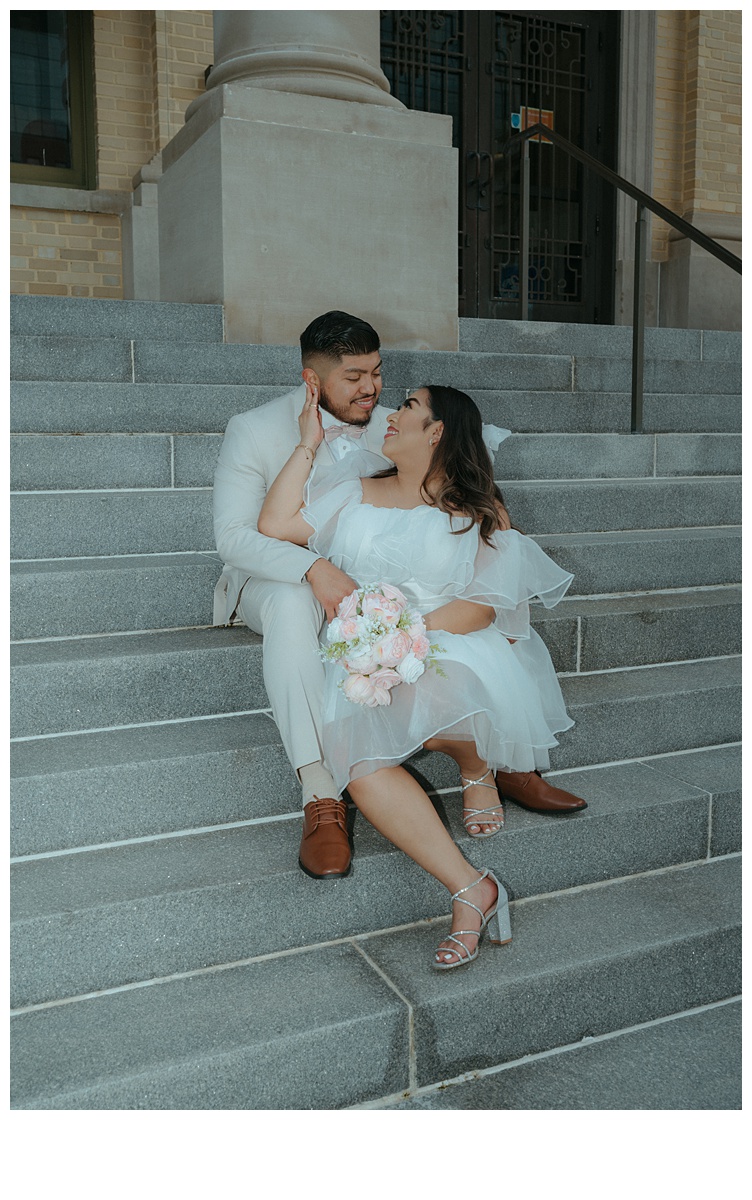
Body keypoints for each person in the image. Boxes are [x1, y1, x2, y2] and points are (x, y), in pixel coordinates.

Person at [257, 383, 587, 970]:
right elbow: (276, 523)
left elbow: (484, 605)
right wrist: (309, 443)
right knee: (358, 768)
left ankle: (475, 764)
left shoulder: (476, 512)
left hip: (449, 641)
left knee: (436, 697)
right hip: (368, 654)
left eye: (407, 406)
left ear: (436, 431)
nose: (392, 414)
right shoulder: (353, 492)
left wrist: (406, 635)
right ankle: (470, 889)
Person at [213, 312, 391, 880]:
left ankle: (486, 750)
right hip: (274, 580)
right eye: (354, 377)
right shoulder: (254, 428)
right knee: (292, 606)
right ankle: (321, 795)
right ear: (312, 381)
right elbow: (234, 538)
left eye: (377, 372)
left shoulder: (393, 424)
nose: (371, 389)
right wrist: (312, 568)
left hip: (367, 577)